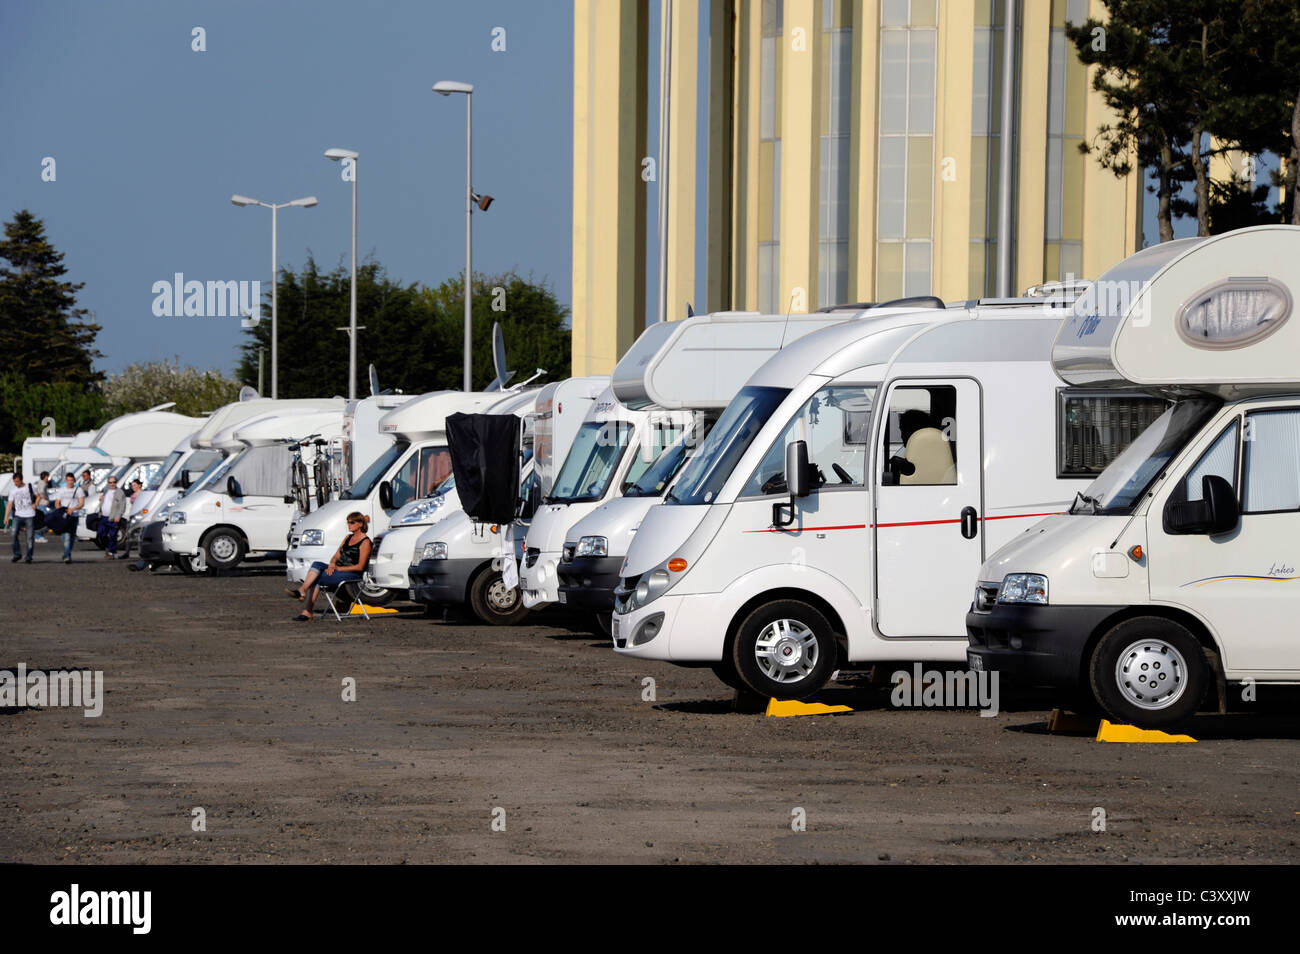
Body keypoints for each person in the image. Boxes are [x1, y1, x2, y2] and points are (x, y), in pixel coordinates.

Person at [287, 512, 373, 621]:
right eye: (348, 522)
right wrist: (332, 564)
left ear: (360, 524)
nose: (349, 525)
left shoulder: (365, 542)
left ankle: (307, 610)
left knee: (317, 578)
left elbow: (360, 567)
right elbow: (337, 555)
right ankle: (303, 591)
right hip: (338, 570)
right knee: (317, 564)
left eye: (352, 522)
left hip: (352, 573)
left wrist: (339, 568)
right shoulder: (348, 537)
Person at [47, 473, 85, 563]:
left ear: (74, 481)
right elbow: (57, 502)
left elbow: (82, 503)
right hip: (65, 517)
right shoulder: (62, 490)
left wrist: (73, 509)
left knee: (72, 536)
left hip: (74, 515)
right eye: (68, 480)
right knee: (67, 536)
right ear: (66, 481)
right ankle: (67, 556)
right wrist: (59, 510)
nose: (70, 482)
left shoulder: (78, 490)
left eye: (71, 480)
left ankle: (67, 553)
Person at [5, 475, 41, 563]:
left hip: (30, 515)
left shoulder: (30, 487)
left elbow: (39, 496)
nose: (16, 483)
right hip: (18, 515)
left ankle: (29, 556)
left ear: (21, 480)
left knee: (29, 537)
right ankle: (17, 554)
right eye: (14, 482)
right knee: (13, 534)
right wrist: (6, 517)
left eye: (17, 481)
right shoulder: (13, 490)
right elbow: (9, 504)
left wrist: (35, 504)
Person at [98, 474, 128, 559]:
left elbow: (122, 505)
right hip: (104, 516)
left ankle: (111, 552)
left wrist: (118, 515)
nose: (112, 484)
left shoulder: (119, 492)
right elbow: (104, 501)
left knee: (112, 535)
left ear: (116, 482)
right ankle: (108, 548)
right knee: (101, 534)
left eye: (114, 482)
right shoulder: (106, 491)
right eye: (110, 482)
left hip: (113, 517)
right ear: (108, 483)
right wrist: (100, 500)